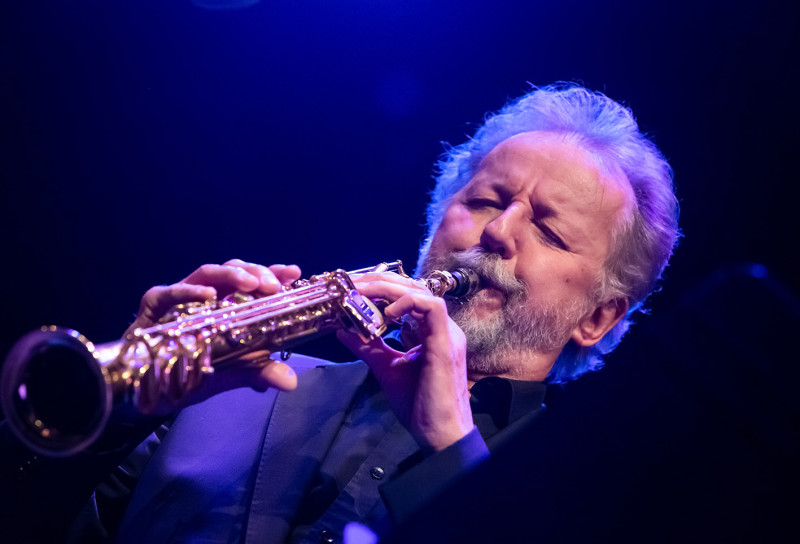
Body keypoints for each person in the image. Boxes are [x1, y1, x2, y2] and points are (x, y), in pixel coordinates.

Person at [0, 82, 679, 543]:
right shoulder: (235, 390)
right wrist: (116, 407)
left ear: (599, 317)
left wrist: (451, 449)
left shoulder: (591, 489)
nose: (499, 231)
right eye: (485, 200)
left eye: (550, 231)